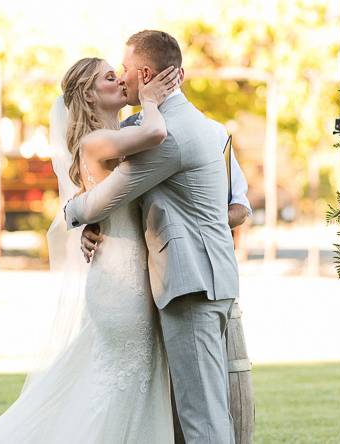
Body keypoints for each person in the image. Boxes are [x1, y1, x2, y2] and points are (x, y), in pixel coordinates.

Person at [0, 57, 180, 443]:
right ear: (88, 93)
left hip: (127, 273)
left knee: (123, 384)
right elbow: (156, 134)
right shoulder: (96, 141)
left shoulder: (115, 133)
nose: (119, 79)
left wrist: (89, 225)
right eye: (108, 76)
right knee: (121, 387)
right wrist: (150, 98)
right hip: (121, 285)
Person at [66, 30, 251, 444]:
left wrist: (73, 214)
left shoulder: (168, 136)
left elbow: (106, 197)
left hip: (190, 285)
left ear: (145, 73)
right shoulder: (190, 124)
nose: (121, 76)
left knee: (200, 417)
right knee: (194, 410)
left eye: (125, 69)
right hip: (197, 281)